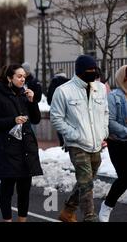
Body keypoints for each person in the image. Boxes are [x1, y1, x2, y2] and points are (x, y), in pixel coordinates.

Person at [50, 55, 109, 222]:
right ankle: (90, 217)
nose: (94, 73)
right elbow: (56, 118)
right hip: (76, 144)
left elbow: (105, 112)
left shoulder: (100, 88)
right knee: (86, 181)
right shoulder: (63, 91)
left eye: (95, 70)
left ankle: (68, 210)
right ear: (80, 72)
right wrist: (74, 135)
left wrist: (103, 131)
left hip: (96, 143)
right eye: (90, 71)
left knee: (87, 180)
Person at [0, 64, 42, 222]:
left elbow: (36, 119)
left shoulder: (25, 95)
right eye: (19, 76)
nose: (23, 79)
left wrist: (32, 101)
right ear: (10, 78)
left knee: (24, 190)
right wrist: (13, 120)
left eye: (24, 76)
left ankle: (22, 220)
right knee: (7, 190)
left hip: (26, 148)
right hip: (8, 149)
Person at [98, 65, 127, 222]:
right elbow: (110, 122)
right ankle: (106, 206)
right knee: (124, 177)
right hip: (118, 143)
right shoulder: (114, 97)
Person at [46, 70, 70, 147]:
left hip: (57, 110)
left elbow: (49, 99)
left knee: (60, 127)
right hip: (69, 109)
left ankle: (62, 144)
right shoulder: (69, 83)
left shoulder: (54, 83)